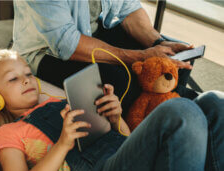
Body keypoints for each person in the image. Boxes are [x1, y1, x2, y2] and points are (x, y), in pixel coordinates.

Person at [0, 49, 224, 171]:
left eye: (28, 74)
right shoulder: (9, 132)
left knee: (214, 102)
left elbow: (124, 138)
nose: (26, 80)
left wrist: (115, 118)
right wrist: (62, 143)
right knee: (179, 111)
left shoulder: (61, 99)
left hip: (128, 162)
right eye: (13, 79)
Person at [12, 0, 198, 116]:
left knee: (175, 61)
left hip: (89, 32)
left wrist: (157, 42)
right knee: (120, 80)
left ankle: (173, 109)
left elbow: (130, 8)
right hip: (46, 51)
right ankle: (150, 128)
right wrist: (139, 56)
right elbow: (67, 44)